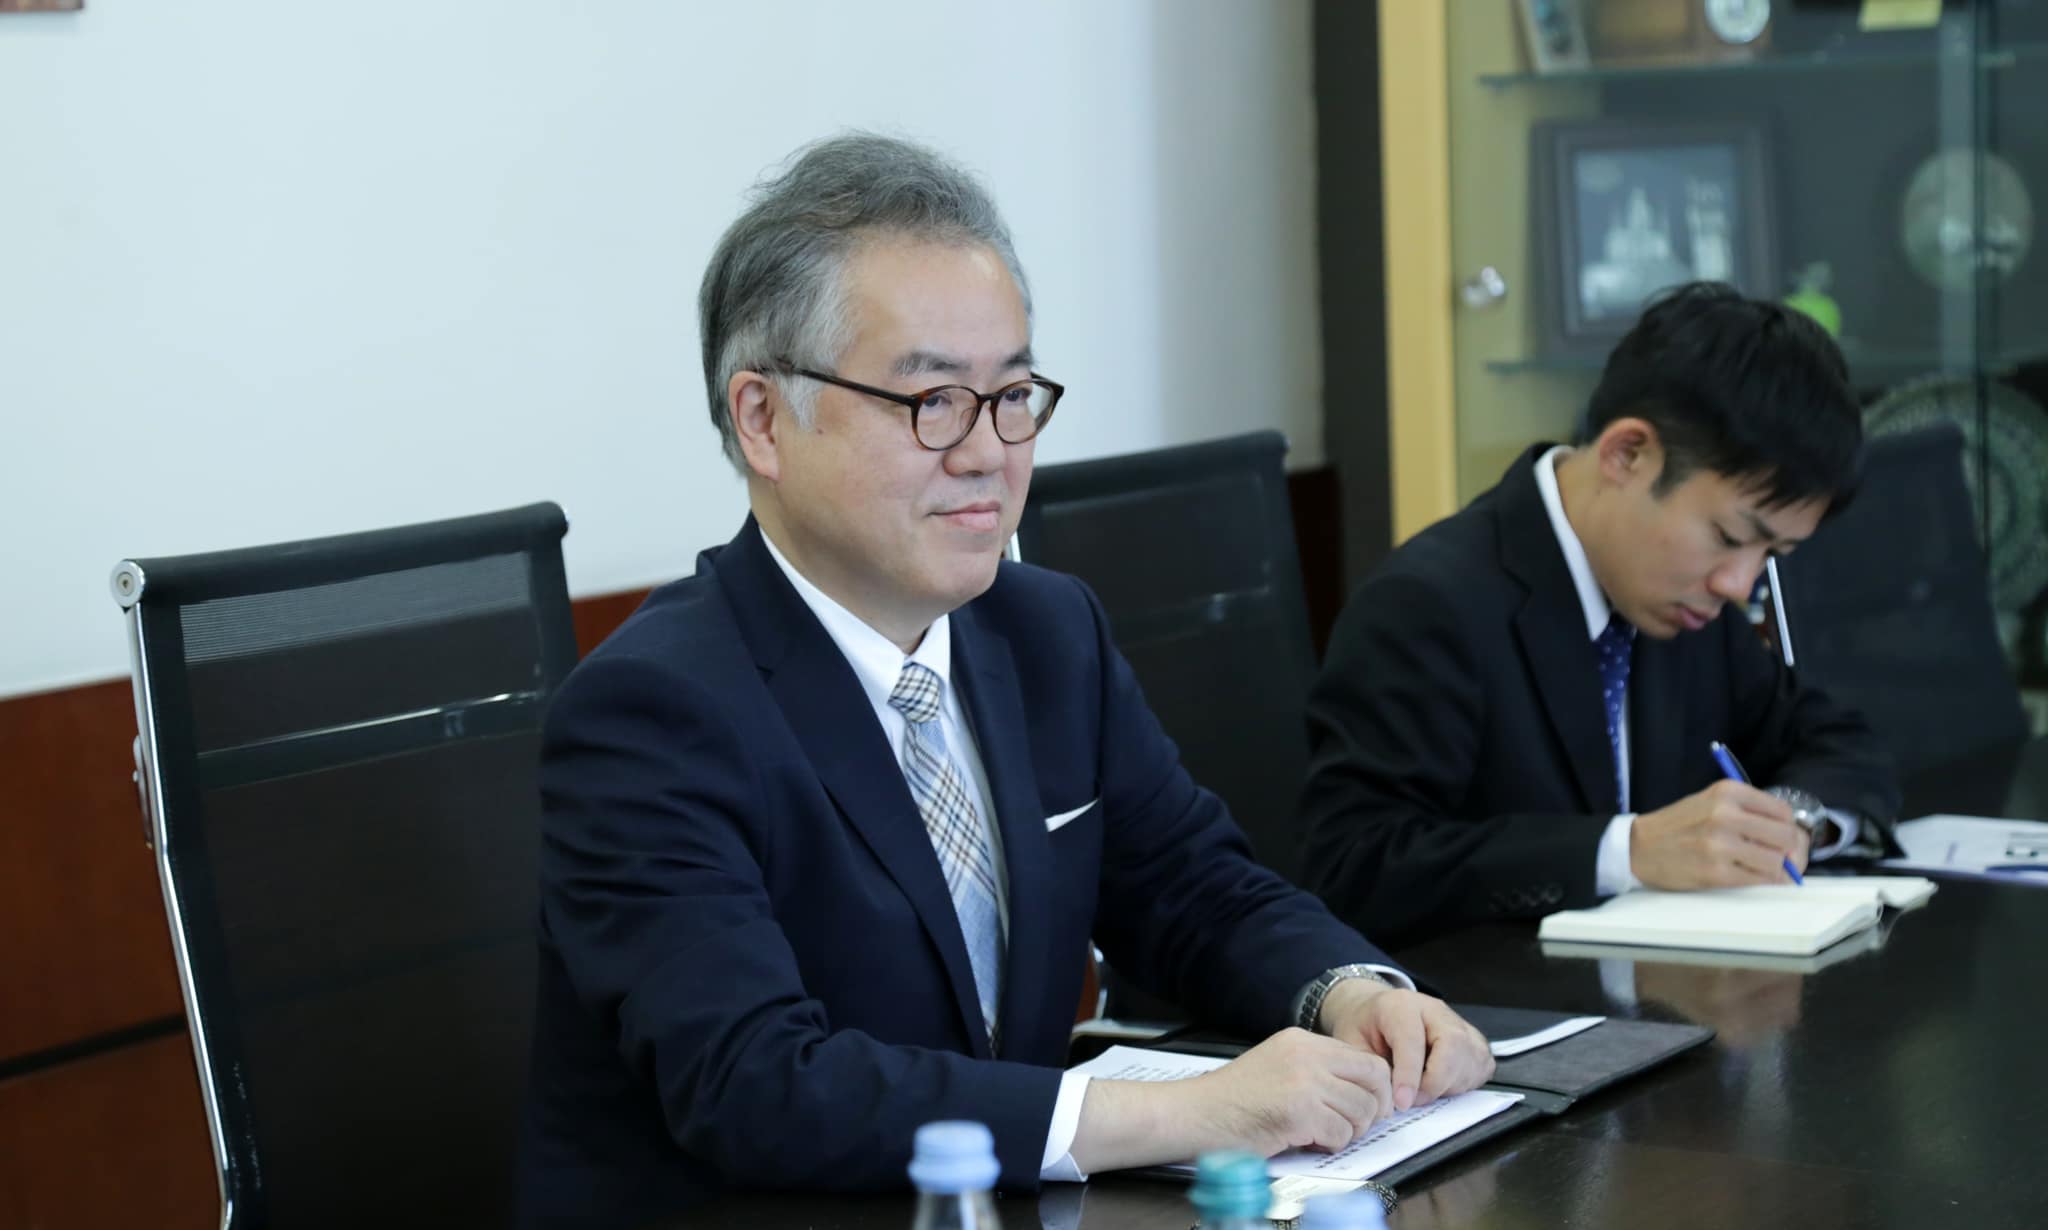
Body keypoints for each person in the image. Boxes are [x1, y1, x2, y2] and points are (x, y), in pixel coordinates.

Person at [516, 133, 1493, 1227]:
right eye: (932, 400)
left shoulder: (1044, 632)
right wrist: (1183, 1112)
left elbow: (1190, 887)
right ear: (763, 420)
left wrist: (1348, 992)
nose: (989, 450)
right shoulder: (654, 710)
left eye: (1012, 393)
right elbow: (756, 1083)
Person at [1300, 282, 1901, 950]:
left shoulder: (1688, 600)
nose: (1738, 583)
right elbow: (1356, 866)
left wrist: (1794, 819)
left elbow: (1834, 738)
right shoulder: (1428, 606)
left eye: (1773, 554)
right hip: (1492, 1001)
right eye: (1730, 537)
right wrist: (1628, 852)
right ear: (1627, 455)